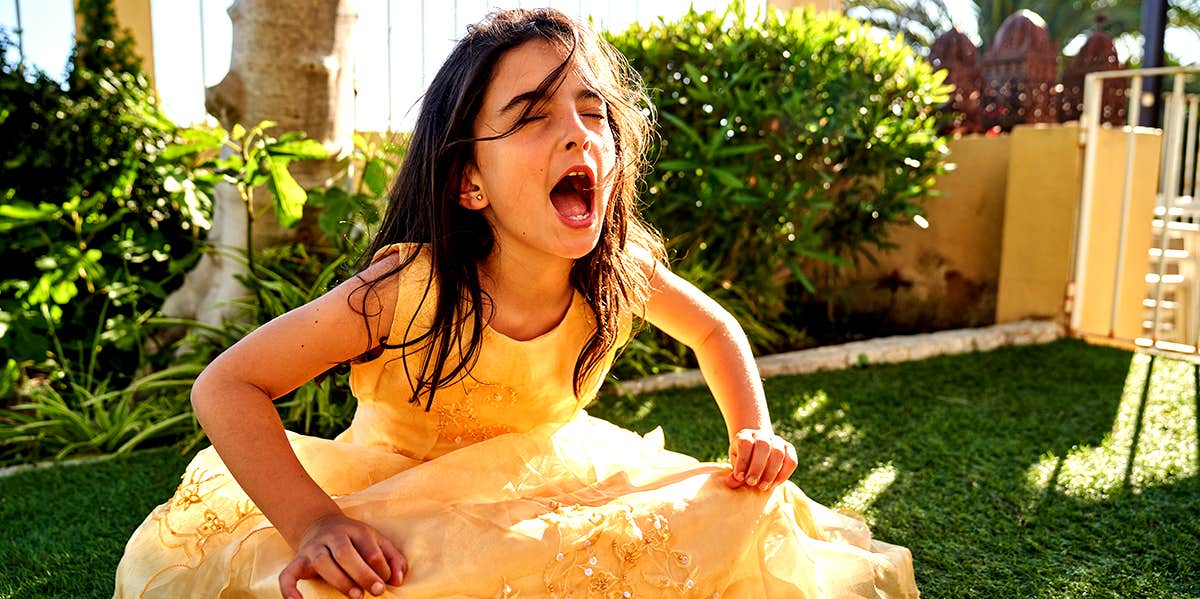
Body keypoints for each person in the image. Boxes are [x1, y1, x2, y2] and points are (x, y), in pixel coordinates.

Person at [114, 8, 919, 599]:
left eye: (592, 111)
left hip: (553, 483)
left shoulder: (619, 269)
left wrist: (753, 431)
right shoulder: (405, 289)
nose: (577, 133)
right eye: (533, 116)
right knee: (362, 585)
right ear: (469, 181)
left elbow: (714, 329)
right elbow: (224, 386)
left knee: (745, 512)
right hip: (402, 493)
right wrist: (315, 524)